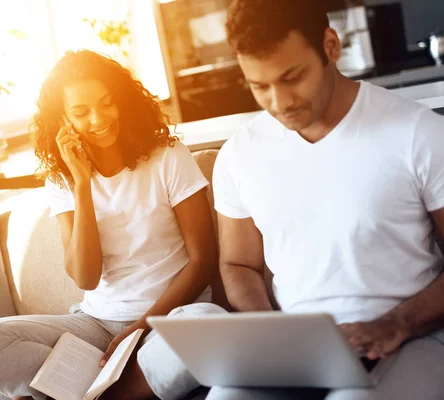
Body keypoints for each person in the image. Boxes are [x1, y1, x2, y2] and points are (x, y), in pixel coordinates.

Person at [125, 0, 444, 399]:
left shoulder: (419, 134)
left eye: (292, 77)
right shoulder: (241, 154)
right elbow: (239, 263)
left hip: (410, 337)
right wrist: (269, 335)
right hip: (301, 352)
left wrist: (394, 325)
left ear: (330, 45)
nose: (280, 102)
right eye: (260, 86)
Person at [0, 49, 220, 400]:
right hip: (95, 325)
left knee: (207, 325)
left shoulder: (168, 157)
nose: (99, 118)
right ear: (62, 120)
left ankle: (93, 391)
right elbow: (86, 277)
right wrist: (81, 184)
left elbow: (203, 260)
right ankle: (118, 383)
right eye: (81, 112)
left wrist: (139, 328)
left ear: (122, 100)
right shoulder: (62, 183)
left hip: (168, 319)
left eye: (107, 103)